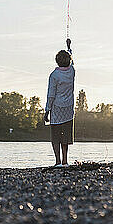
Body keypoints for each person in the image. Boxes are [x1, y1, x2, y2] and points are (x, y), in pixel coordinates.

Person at [44, 37, 75, 167]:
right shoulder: (72, 71)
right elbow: (72, 60)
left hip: (57, 109)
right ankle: (65, 161)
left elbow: (51, 95)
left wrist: (47, 110)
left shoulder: (54, 75)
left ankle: (57, 162)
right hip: (68, 109)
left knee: (56, 136)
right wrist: (69, 47)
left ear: (56, 61)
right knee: (66, 137)